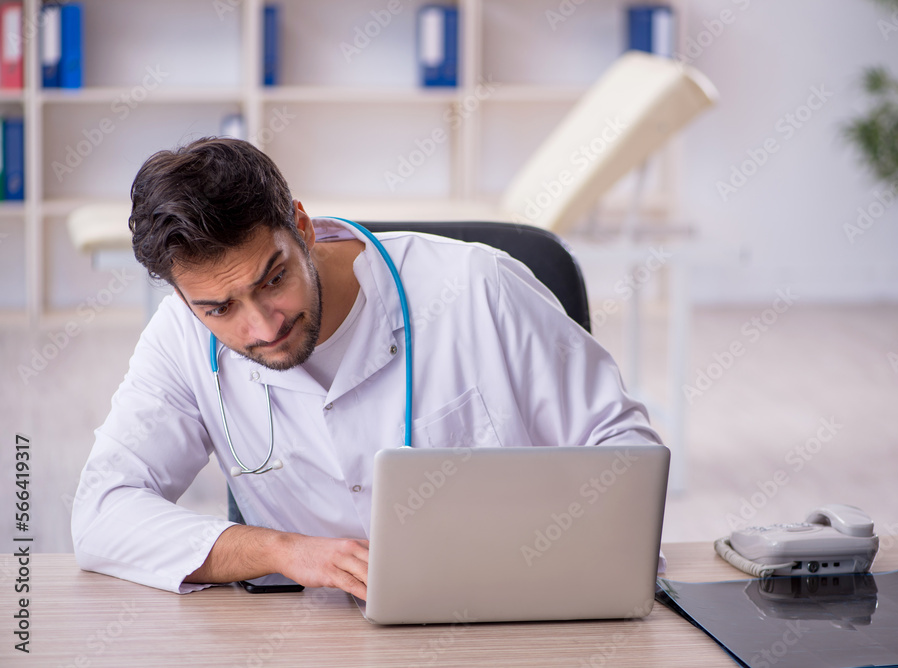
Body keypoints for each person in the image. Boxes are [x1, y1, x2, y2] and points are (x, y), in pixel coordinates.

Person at [71, 137, 662, 598]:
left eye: (273, 279)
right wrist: (285, 552)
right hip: (323, 636)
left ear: (301, 227)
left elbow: (625, 455)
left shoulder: (478, 288)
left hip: (515, 617)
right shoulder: (179, 338)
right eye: (219, 309)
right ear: (182, 298)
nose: (261, 326)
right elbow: (102, 513)